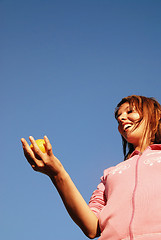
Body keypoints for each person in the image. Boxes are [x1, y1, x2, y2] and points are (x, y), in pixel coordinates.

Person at [21, 95, 161, 240]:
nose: (121, 118)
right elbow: (92, 227)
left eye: (130, 111)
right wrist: (57, 174)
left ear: (155, 117)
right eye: (118, 116)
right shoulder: (111, 173)